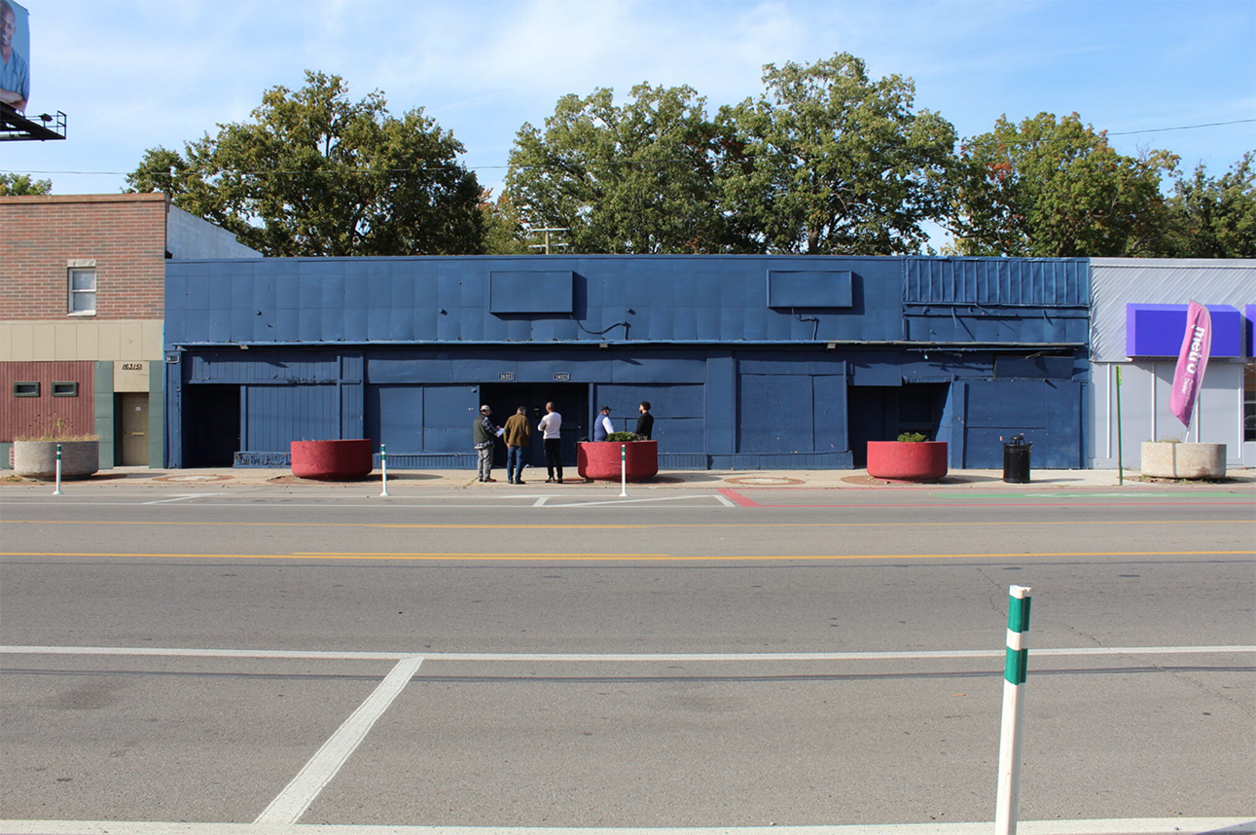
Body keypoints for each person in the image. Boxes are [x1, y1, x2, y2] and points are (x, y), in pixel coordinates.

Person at [0, 0, 29, 113]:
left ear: (14, 30)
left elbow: (22, 104)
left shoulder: (21, 66)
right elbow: (19, 100)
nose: (4, 29)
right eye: (1, 22)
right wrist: (15, 97)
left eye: (9, 26)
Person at [502, 406, 531, 484]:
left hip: (511, 443)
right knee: (519, 461)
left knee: (510, 460)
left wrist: (506, 442)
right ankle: (517, 478)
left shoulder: (510, 418)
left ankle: (509, 478)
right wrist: (525, 437)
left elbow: (505, 431)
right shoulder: (524, 419)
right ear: (524, 412)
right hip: (521, 443)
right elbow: (528, 432)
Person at [472, 405, 500, 483]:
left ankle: (480, 476)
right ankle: (486, 477)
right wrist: (497, 429)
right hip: (486, 442)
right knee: (487, 460)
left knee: (480, 460)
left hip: (478, 442)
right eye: (489, 412)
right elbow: (490, 429)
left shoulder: (476, 419)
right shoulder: (485, 419)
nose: (489, 413)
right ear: (486, 411)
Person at [538, 401, 563, 483]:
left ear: (548, 408)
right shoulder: (559, 416)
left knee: (549, 458)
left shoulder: (546, 417)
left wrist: (544, 428)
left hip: (548, 438)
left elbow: (539, 427)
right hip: (557, 437)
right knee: (557, 457)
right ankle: (560, 476)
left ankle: (551, 476)